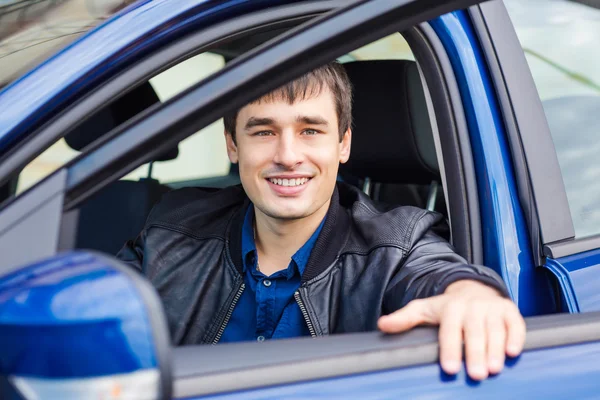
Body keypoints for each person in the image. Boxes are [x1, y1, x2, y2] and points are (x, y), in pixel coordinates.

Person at [118, 61, 525, 381]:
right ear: (232, 145)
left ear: (343, 143)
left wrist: (473, 295)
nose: (288, 155)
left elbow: (436, 273)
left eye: (310, 130)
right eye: (263, 132)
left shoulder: (396, 244)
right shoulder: (171, 232)